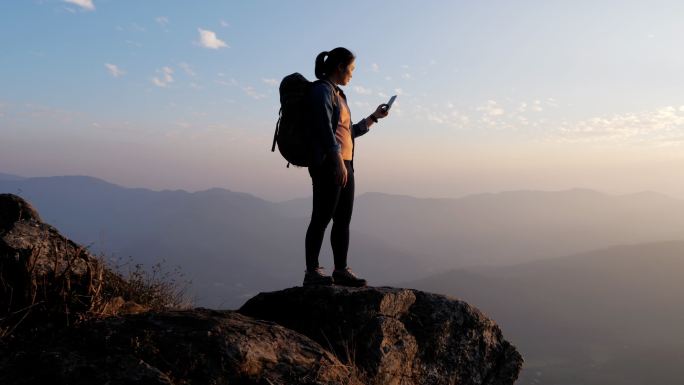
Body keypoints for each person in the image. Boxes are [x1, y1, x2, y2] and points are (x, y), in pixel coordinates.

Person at [304, 47, 390, 287]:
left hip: (346, 163)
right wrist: (337, 161)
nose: (352, 74)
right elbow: (323, 128)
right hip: (329, 165)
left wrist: (373, 118)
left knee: (342, 219)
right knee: (321, 217)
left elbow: (346, 132)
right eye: (351, 69)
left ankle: (340, 270)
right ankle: (312, 271)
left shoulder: (338, 94)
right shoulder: (322, 91)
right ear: (340, 66)